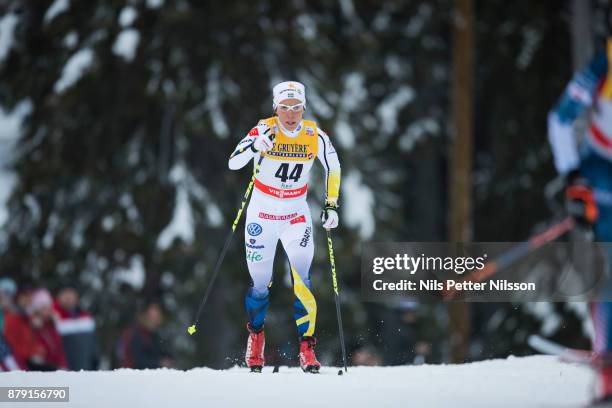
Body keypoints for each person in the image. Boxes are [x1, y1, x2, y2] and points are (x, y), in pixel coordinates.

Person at [228, 81, 341, 373]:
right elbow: (233, 163)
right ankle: (256, 335)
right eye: (284, 108)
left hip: (295, 215)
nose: (290, 114)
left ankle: (307, 348)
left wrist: (330, 204)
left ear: (304, 108)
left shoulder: (313, 135)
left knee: (302, 280)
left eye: (296, 108)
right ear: (275, 108)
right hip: (261, 216)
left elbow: (333, 166)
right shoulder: (264, 129)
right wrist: (254, 145)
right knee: (259, 285)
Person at [547, 38, 612, 402]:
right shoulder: (604, 63)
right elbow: (560, 119)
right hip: (602, 174)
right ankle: (609, 369)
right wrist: (574, 181)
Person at [53, 285, 99, 371]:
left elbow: (92, 345)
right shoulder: (52, 317)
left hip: (85, 369)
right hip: (62, 371)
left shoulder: (85, 317)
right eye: (65, 295)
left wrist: (95, 362)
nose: (68, 298)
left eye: (71, 295)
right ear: (59, 297)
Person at [119, 301, 173, 369]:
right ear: (143, 316)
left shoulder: (152, 334)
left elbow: (160, 352)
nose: (155, 320)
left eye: (157, 316)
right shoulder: (135, 334)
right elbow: (138, 360)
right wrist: (159, 363)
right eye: (152, 317)